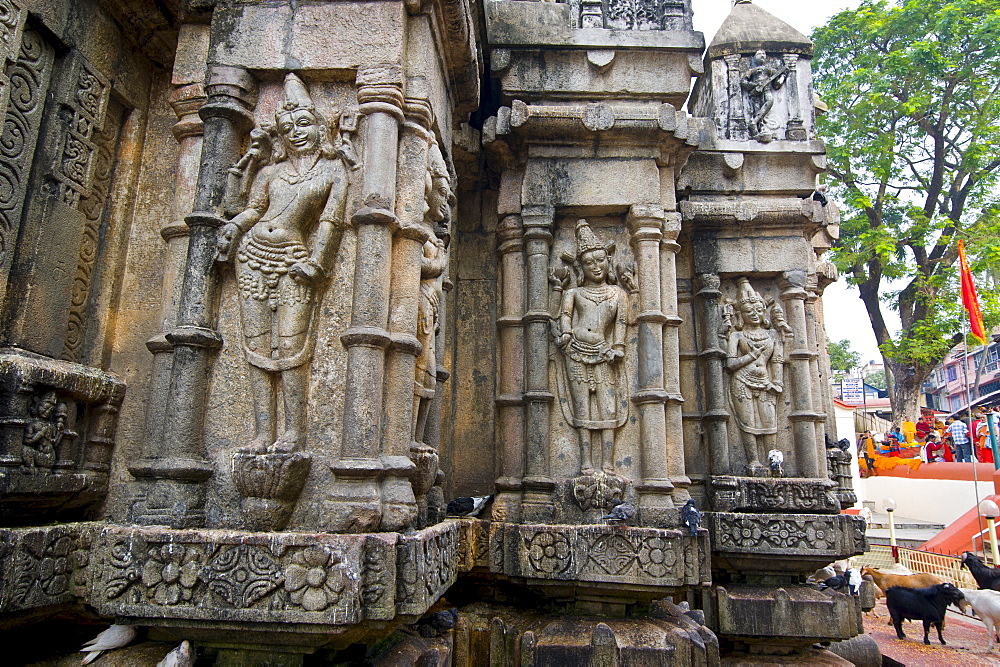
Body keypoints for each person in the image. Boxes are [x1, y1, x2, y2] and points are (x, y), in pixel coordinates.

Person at [216, 73, 351, 453]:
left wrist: (318, 263)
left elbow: (331, 221)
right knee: (256, 347)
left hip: (295, 259)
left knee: (292, 348)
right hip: (251, 255)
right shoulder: (270, 171)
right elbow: (254, 209)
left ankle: (294, 431)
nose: (295, 133)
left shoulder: (332, 172)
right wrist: (233, 228)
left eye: (304, 124)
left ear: (320, 127)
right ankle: (262, 432)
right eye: (287, 127)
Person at [556, 219, 629, 474]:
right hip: (576, 350)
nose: (596, 267)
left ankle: (608, 462)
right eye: (589, 262)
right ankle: (586, 461)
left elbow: (621, 322)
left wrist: (618, 347)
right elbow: (565, 316)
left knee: (608, 406)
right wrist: (565, 333)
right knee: (582, 406)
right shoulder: (573, 294)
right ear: (580, 267)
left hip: (605, 352)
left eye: (600, 260)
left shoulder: (618, 294)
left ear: (608, 261)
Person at [724, 278, 786, 474]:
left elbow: (777, 360)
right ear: (741, 315)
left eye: (759, 310)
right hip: (742, 381)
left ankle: (773, 461)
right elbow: (731, 363)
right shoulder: (737, 336)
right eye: (749, 311)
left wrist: (777, 381)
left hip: (766, 382)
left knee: (770, 423)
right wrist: (751, 355)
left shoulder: (773, 336)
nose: (755, 314)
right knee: (748, 423)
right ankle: (753, 461)